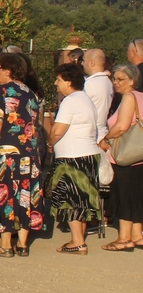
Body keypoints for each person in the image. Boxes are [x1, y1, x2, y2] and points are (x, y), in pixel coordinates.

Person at [0, 53, 45, 258]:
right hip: (30, 152)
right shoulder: (30, 93)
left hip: (7, 152)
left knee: (6, 194)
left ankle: (6, 244)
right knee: (26, 195)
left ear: (7, 70)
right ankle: (23, 244)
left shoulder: (1, 91)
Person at [45, 63, 102, 255]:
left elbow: (58, 130)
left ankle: (77, 242)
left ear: (68, 81)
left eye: (58, 79)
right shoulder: (85, 99)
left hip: (72, 156)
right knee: (82, 198)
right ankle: (79, 238)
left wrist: (50, 143)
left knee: (70, 198)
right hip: (87, 153)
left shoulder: (70, 101)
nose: (56, 83)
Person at [99, 64, 143, 251]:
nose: (115, 82)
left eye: (120, 79)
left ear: (132, 81)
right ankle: (137, 235)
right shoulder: (141, 97)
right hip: (139, 155)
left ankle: (124, 238)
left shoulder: (129, 97)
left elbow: (122, 126)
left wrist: (105, 139)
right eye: (114, 79)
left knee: (124, 195)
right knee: (136, 195)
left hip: (125, 155)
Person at [83, 49, 113, 144]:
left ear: (92, 63)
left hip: (92, 134)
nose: (82, 64)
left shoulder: (90, 83)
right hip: (102, 131)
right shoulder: (107, 81)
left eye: (84, 60)